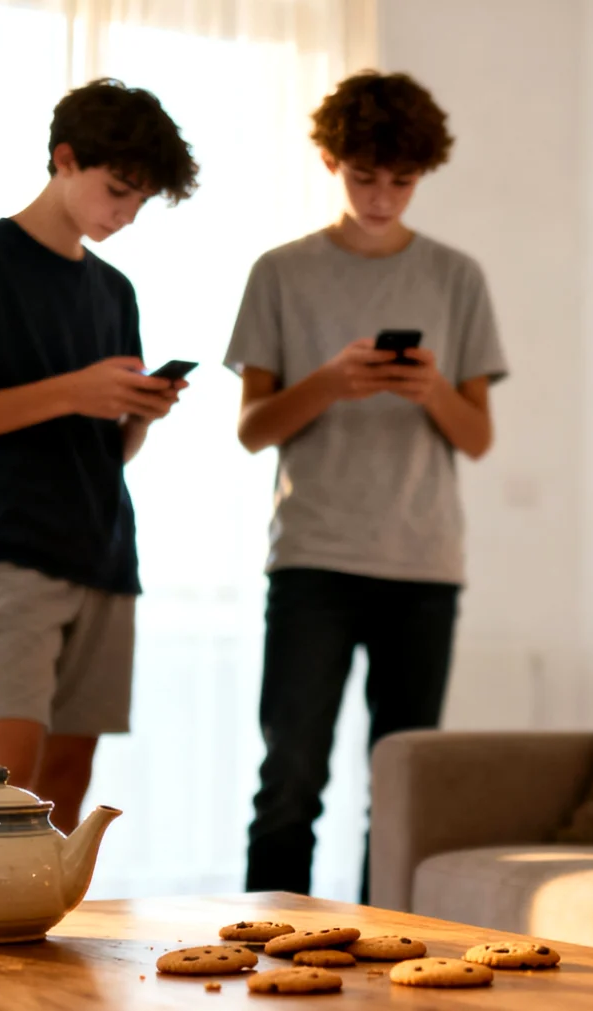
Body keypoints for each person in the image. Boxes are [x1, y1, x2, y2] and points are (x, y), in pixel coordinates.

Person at [225, 70, 508, 897]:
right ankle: (264, 946)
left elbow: (478, 437)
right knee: (289, 780)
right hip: (311, 559)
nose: (382, 197)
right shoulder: (280, 272)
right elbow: (251, 429)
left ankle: (388, 948)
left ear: (424, 173)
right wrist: (328, 382)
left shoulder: (458, 276)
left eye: (402, 180)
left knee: (401, 791)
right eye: (363, 177)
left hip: (424, 566)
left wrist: (432, 391)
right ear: (330, 161)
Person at [0, 78, 199, 832]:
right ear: (65, 159)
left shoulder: (116, 291)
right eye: (118, 191)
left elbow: (110, 451)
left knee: (68, 778)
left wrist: (139, 413)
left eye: (141, 202)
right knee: (3, 768)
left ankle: (36, 912)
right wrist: (73, 390)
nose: (126, 214)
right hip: (10, 548)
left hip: (105, 551)